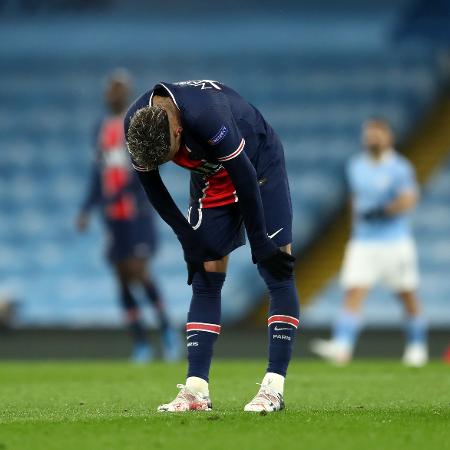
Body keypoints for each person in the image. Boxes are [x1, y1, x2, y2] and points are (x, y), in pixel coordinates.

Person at [124, 80, 299, 412]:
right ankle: (196, 390)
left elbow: (243, 174)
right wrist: (187, 240)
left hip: (257, 164)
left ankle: (273, 387)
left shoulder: (207, 114)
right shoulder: (138, 125)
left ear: (178, 129)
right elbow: (153, 188)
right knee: (205, 270)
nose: (169, 162)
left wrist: (260, 241)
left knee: (276, 266)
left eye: (171, 155)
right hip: (211, 175)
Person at [76, 70, 181, 363]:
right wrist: (87, 208)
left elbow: (146, 166)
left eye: (117, 89)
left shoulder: (135, 122)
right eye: (110, 89)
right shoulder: (100, 128)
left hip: (136, 214)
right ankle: (140, 342)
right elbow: (98, 174)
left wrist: (123, 193)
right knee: (122, 279)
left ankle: (166, 331)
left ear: (126, 92)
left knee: (138, 271)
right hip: (113, 217)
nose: (112, 93)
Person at [311, 117, 428, 367]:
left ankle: (417, 346)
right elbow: (356, 198)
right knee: (354, 290)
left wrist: (385, 210)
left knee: (406, 294)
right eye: (369, 133)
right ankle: (342, 346)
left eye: (377, 132)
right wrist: (356, 228)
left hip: (394, 242)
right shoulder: (356, 166)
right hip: (364, 242)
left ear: (389, 137)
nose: (372, 137)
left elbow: (409, 198)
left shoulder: (399, 167)